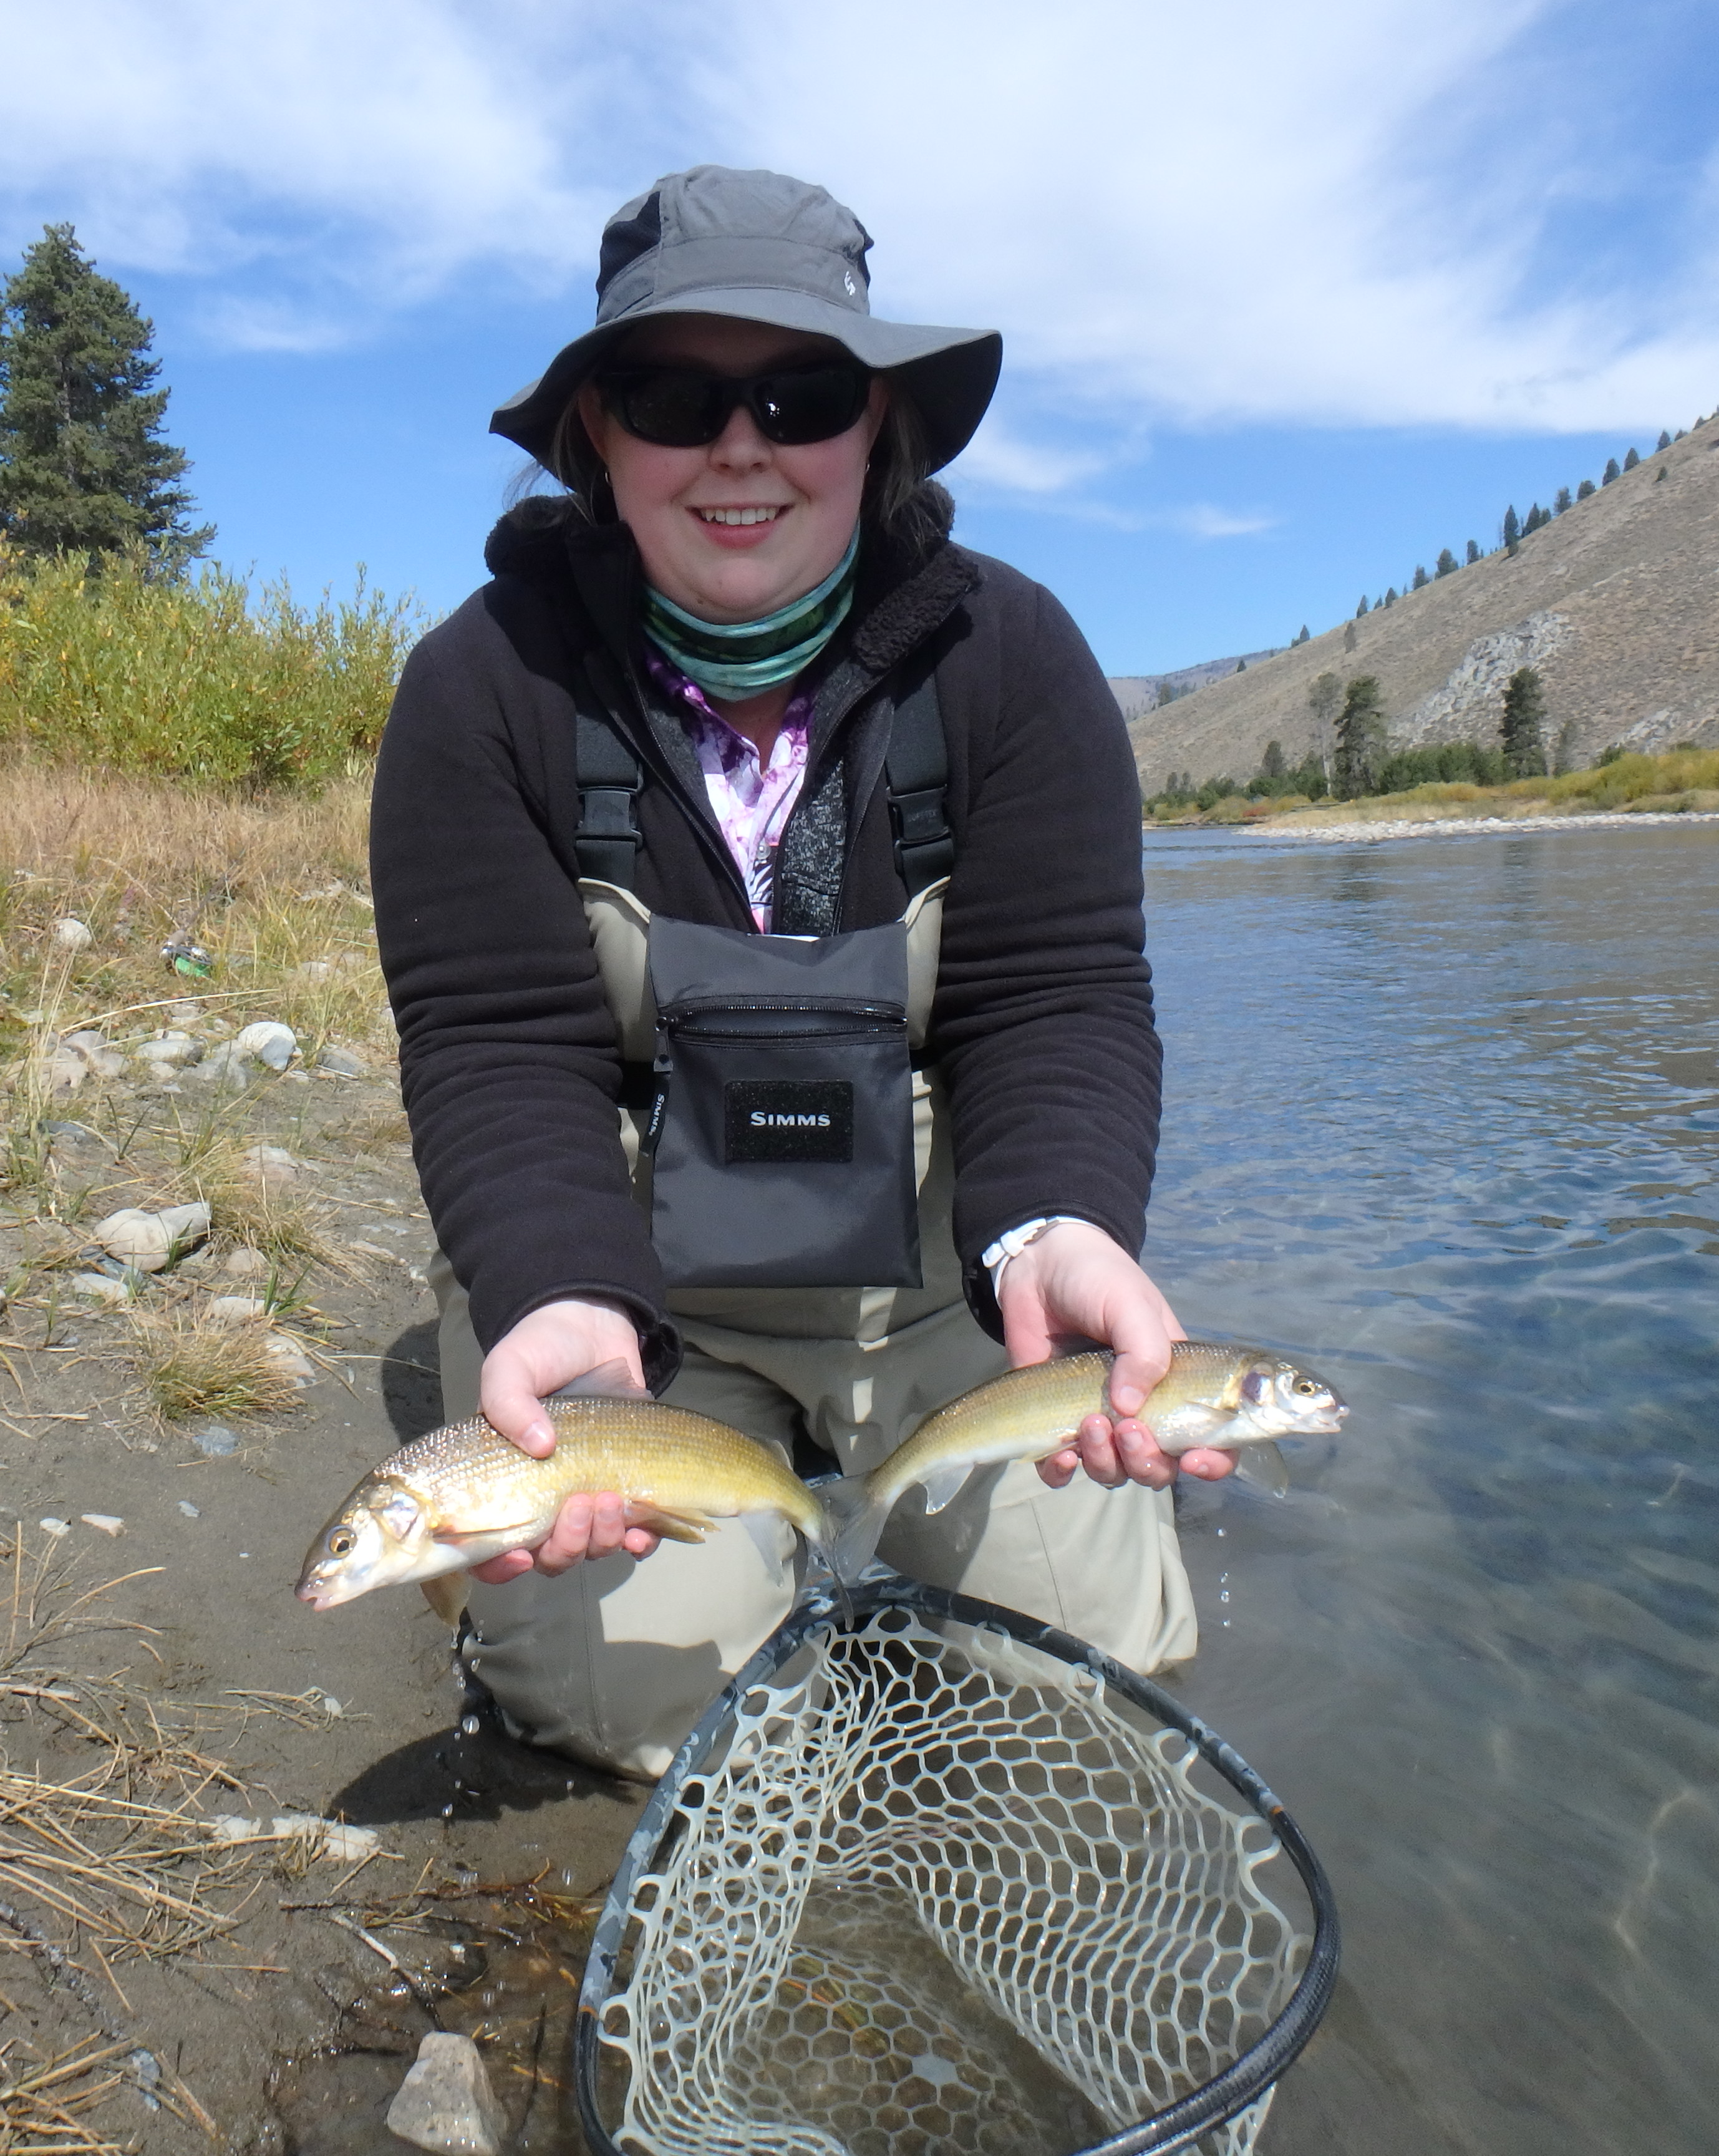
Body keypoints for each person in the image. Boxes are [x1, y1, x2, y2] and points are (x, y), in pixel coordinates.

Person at [370, 165, 1229, 1780]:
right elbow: (497, 1044)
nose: (742, 446)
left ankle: (869, 1502)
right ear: (598, 435)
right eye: (673, 399)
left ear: (874, 424)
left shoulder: (1013, 657)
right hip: (637, 1295)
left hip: (950, 1278)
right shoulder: (481, 689)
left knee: (1096, 1685)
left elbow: (1054, 995)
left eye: (802, 395)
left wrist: (1059, 1228)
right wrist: (556, 1290)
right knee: (640, 1719)